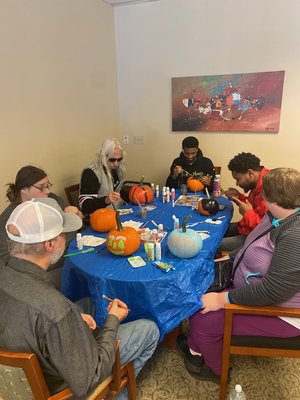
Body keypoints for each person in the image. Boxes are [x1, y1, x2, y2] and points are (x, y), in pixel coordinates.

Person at [0, 197, 159, 399]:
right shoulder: (57, 312)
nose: (66, 239)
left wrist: (73, 318)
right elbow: (90, 377)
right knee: (150, 329)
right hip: (67, 386)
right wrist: (113, 321)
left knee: (89, 303)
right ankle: (118, 394)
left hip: (21, 378)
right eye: (63, 234)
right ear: (49, 244)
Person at [177, 168, 300, 383]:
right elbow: (252, 243)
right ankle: (195, 349)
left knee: (200, 319)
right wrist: (228, 258)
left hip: (283, 312)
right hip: (252, 289)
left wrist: (222, 299)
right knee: (197, 296)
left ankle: (217, 371)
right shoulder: (276, 216)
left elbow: (273, 291)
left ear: (273, 199)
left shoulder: (294, 236)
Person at [0, 165, 82, 269]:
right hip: (41, 268)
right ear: (24, 189)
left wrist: (76, 215)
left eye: (48, 186)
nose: (47, 191)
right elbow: (4, 258)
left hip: (70, 254)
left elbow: (79, 221)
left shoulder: (53, 199)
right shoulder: (10, 219)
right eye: (41, 187)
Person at [219, 152, 269, 251]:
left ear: (250, 173)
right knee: (216, 229)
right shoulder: (258, 182)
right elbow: (254, 206)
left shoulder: (268, 189)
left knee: (212, 244)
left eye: (238, 179)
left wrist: (247, 213)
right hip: (245, 227)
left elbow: (265, 229)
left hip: (255, 238)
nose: (237, 184)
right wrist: (239, 197)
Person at [80, 138, 126, 215]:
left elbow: (118, 191)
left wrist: (133, 193)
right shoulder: (90, 173)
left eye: (119, 159)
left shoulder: (117, 169)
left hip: (118, 211)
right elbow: (84, 206)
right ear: (103, 157)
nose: (116, 164)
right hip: (100, 217)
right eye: (112, 160)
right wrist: (106, 200)